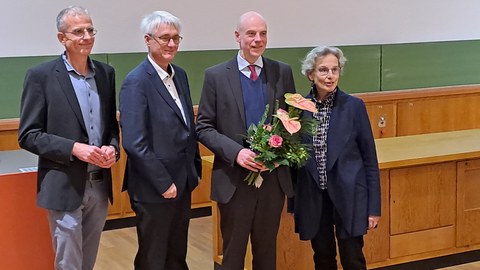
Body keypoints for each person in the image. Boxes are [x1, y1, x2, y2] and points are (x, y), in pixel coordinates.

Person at [17, 6, 119, 270]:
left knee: (87, 263)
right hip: (64, 185)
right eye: (78, 31)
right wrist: (74, 148)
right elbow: (29, 135)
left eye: (90, 30)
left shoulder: (106, 74)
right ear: (62, 38)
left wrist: (112, 148)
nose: (86, 36)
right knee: (69, 264)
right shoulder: (41, 76)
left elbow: (111, 129)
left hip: (99, 186)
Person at [196, 11, 296, 270]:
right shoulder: (216, 76)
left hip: (272, 181)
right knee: (233, 255)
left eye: (263, 33)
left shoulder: (281, 72)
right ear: (237, 37)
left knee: (266, 254)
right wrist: (237, 153)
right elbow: (204, 127)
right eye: (251, 33)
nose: (257, 39)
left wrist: (276, 152)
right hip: (234, 180)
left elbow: (291, 121)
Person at [119, 11, 202, 270]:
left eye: (176, 38)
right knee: (153, 258)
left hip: (183, 180)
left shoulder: (181, 75)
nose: (172, 44)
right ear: (148, 40)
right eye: (164, 38)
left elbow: (188, 126)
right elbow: (134, 142)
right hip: (154, 187)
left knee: (177, 254)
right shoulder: (136, 81)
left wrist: (193, 171)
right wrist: (163, 182)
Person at [293, 46, 381, 270]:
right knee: (322, 258)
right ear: (310, 74)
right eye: (323, 70)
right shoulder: (298, 109)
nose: (329, 76)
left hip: (349, 196)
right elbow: (294, 160)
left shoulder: (354, 107)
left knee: (353, 258)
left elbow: (370, 160)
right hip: (315, 199)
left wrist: (373, 208)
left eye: (334, 69)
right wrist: (294, 203)